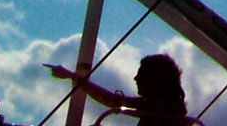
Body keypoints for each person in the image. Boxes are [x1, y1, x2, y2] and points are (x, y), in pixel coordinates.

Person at [47, 53, 190, 124]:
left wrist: (73, 77)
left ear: (154, 79)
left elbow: (112, 101)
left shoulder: (165, 110)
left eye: (141, 75)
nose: (135, 78)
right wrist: (73, 77)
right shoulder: (154, 105)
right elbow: (111, 100)